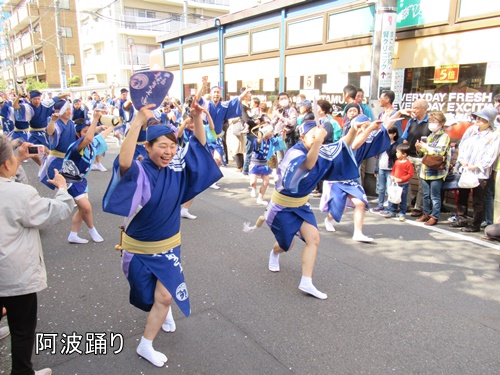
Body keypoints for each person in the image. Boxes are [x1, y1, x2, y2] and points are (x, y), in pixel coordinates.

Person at [102, 101, 222, 368]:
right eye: (162, 147)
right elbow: (123, 162)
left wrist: (197, 117)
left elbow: (199, 151)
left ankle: (146, 344)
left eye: (172, 147)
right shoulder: (140, 169)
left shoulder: (176, 167)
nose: (168, 152)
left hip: (169, 247)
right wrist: (136, 123)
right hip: (138, 250)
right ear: (148, 147)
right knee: (145, 297)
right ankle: (160, 310)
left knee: (165, 296)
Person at [245, 117, 363, 300]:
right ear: (302, 136)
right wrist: (318, 141)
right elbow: (307, 164)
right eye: (313, 135)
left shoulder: (319, 149)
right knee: (287, 245)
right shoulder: (295, 152)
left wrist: (354, 129)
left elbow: (341, 146)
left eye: (319, 134)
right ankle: (274, 253)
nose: (318, 137)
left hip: (301, 204)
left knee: (314, 239)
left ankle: (306, 281)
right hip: (281, 207)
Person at [0, 135, 73, 375]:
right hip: (13, 276)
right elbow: (56, 212)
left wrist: (18, 158)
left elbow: (6, 176)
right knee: (22, 329)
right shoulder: (20, 193)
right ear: (6, 164)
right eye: (12, 154)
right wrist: (62, 188)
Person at [321, 115, 395, 241]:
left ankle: (358, 233)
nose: (365, 129)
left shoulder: (367, 140)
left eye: (367, 126)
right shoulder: (347, 139)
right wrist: (370, 128)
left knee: (360, 203)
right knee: (340, 209)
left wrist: (399, 113)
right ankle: (328, 219)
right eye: (362, 126)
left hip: (351, 179)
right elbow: (355, 145)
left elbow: (384, 127)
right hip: (337, 179)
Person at [63, 113, 115, 243]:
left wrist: (114, 126)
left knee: (82, 210)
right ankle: (92, 230)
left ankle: (73, 235)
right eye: (85, 131)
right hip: (70, 180)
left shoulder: (91, 146)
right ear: (78, 134)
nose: (88, 134)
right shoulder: (76, 146)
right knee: (86, 208)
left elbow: (101, 137)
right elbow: (89, 139)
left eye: (89, 131)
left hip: (81, 180)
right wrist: (95, 119)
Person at [449, 107, 500, 233]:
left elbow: (491, 154)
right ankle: (461, 218)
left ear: (489, 121)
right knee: (462, 195)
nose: (478, 120)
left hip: (480, 172)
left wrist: (477, 165)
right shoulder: (471, 130)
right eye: (477, 117)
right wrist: (462, 160)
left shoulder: (494, 135)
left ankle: (475, 224)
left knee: (478, 199)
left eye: (482, 119)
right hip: (466, 169)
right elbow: (463, 146)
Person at [414, 111, 450, 226]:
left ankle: (434, 216)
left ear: (441, 123)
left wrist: (426, 147)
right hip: (425, 169)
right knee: (425, 194)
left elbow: (440, 152)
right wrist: (419, 148)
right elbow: (423, 154)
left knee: (435, 195)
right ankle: (426, 213)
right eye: (431, 121)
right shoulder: (430, 136)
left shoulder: (444, 137)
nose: (432, 124)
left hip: (437, 170)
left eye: (434, 122)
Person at [400, 99, 431, 217]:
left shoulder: (430, 122)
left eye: (417, 108)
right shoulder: (411, 121)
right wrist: (403, 152)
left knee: (422, 183)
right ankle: (406, 204)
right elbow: (405, 137)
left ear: (425, 109)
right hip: (409, 154)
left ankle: (419, 207)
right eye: (413, 107)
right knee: (404, 180)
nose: (414, 110)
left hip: (422, 157)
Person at [249, 125, 286, 205]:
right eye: (271, 132)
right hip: (255, 162)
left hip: (264, 163)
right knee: (253, 182)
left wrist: (284, 132)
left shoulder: (271, 140)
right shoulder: (258, 140)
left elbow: (280, 140)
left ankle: (260, 198)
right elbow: (257, 144)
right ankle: (253, 188)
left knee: (266, 181)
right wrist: (260, 136)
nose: (272, 134)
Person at [381, 143, 414, 221]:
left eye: (398, 152)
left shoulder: (408, 164)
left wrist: (401, 179)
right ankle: (392, 211)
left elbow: (410, 174)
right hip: (395, 184)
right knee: (394, 198)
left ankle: (402, 213)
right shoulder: (397, 162)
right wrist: (392, 176)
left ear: (404, 154)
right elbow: (393, 171)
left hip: (404, 184)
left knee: (403, 199)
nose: (396, 154)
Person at [371, 126, 399, 212]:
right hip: (381, 168)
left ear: (394, 134)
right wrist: (376, 169)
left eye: (390, 133)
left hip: (390, 169)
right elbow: (378, 157)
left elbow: (392, 154)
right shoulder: (382, 143)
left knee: (389, 188)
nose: (387, 135)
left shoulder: (396, 145)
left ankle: (389, 207)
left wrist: (386, 144)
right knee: (381, 188)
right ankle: (380, 204)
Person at [270, 92, 298, 161]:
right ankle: (279, 171)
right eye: (281, 99)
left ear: (288, 99)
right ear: (279, 101)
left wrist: (281, 117)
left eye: (285, 98)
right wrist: (277, 117)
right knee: (279, 159)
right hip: (277, 136)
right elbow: (272, 123)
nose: (283, 100)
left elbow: (292, 123)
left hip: (287, 136)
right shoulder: (277, 111)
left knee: (287, 158)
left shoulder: (292, 110)